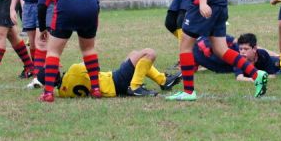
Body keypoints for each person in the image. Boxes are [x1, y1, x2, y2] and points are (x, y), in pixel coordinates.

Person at [37, 0, 102, 102]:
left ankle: (48, 93)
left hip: (65, 11)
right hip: (90, 11)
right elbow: (96, 2)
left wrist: (42, 28)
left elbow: (42, 5)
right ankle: (96, 89)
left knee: (53, 51)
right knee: (88, 49)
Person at [34, 48, 182, 98]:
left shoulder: (62, 93)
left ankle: (163, 80)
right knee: (149, 53)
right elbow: (94, 67)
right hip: (115, 81)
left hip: (114, 86)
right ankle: (135, 88)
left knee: (133, 54)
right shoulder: (73, 70)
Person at [193, 34, 281, 78]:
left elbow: (244, 45)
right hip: (241, 65)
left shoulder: (193, 49)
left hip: (250, 59)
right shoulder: (196, 50)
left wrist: (277, 55)